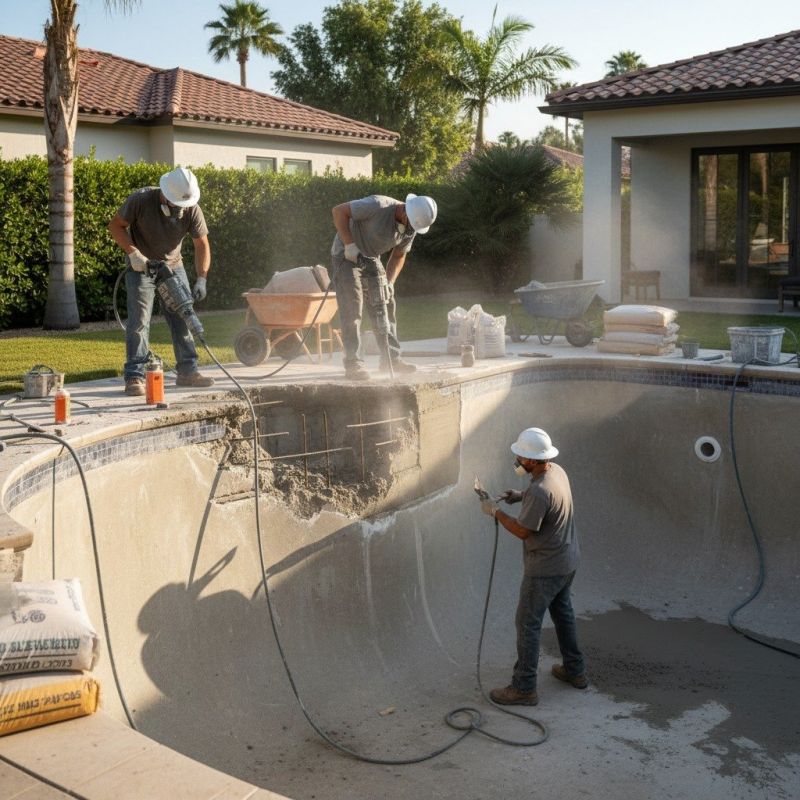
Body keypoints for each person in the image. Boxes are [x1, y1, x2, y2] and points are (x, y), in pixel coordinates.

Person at [480, 427, 587, 705]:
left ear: (531, 460)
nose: (516, 459)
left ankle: (524, 687)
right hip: (567, 561)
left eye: (520, 456)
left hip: (545, 569)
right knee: (563, 615)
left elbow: (523, 530)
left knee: (527, 623)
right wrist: (519, 496)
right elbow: (543, 499)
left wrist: (496, 510)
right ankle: (575, 671)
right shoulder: (555, 472)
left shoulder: (539, 491)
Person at [108, 166, 214, 396]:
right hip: (141, 267)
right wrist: (133, 253)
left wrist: (202, 279)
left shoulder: (192, 209)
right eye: (176, 204)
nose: (180, 210)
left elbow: (202, 245)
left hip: (173, 267)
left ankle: (188, 371)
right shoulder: (141, 199)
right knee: (139, 321)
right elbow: (116, 226)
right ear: (165, 194)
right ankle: (134, 376)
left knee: (183, 317)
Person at [331, 193, 437, 381]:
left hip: (372, 258)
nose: (412, 230)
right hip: (346, 257)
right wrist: (350, 245)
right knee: (352, 307)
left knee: (386, 305)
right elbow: (339, 211)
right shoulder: (377, 206)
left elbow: (398, 256)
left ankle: (391, 359)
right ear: (405, 213)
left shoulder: (411, 228)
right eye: (412, 225)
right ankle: (353, 363)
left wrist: (389, 282)